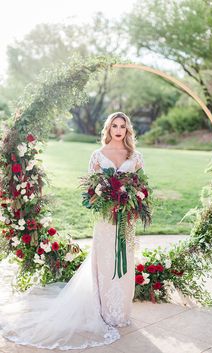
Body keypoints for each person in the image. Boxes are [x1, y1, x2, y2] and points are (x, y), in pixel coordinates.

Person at [0, 111, 145, 350]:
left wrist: (134, 202)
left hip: (126, 219)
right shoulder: (98, 155)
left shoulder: (135, 156)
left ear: (127, 129)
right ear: (108, 129)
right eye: (114, 126)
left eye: (122, 126)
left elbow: (141, 186)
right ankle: (104, 310)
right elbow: (91, 189)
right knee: (106, 262)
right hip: (106, 219)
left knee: (125, 261)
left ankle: (121, 311)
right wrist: (108, 200)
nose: (118, 130)